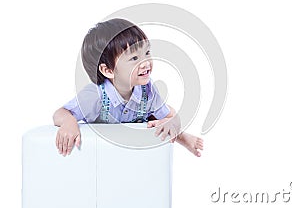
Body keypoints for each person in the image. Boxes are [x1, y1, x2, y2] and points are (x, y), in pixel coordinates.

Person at [53, 18, 204, 157]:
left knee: (157, 121)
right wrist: (69, 123)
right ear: (108, 70)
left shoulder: (147, 90)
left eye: (147, 52)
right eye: (134, 58)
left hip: (129, 147)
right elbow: (61, 113)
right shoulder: (95, 95)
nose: (145, 63)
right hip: (102, 150)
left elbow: (171, 114)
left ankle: (182, 137)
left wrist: (171, 122)